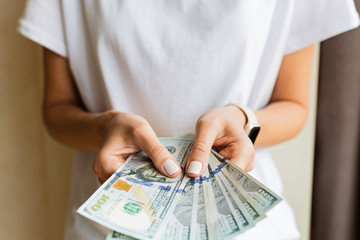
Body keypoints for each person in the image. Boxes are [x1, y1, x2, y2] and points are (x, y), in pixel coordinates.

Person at [18, 0, 359, 239]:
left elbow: (294, 105)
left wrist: (243, 121)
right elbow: (57, 110)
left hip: (250, 230)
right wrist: (105, 127)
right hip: (107, 226)